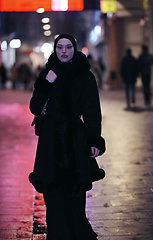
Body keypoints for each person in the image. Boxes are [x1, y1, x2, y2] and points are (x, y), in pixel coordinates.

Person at [29, 33, 106, 240]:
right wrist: (46, 84)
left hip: (74, 141)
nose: (64, 51)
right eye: (60, 47)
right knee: (53, 197)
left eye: (68, 47)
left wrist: (93, 140)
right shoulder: (47, 74)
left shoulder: (86, 76)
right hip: (50, 143)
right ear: (55, 49)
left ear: (75, 49)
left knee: (75, 195)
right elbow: (34, 107)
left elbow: (92, 112)